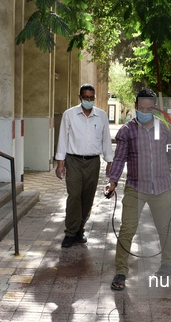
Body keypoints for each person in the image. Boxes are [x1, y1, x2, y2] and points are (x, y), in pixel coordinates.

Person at [105, 88, 171, 291]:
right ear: (136, 106)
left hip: (161, 187)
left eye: (149, 108)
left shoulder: (163, 129)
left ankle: (166, 266)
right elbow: (119, 159)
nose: (144, 111)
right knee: (127, 229)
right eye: (141, 107)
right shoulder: (126, 131)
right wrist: (113, 181)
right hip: (136, 187)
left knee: (165, 229)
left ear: (154, 108)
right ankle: (120, 272)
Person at [55, 83, 113, 248]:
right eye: (85, 97)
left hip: (93, 162)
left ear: (94, 98)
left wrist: (110, 162)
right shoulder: (70, 115)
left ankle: (80, 228)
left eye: (91, 98)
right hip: (73, 161)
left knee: (88, 197)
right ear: (80, 97)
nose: (89, 100)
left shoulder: (101, 116)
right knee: (74, 196)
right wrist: (60, 163)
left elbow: (106, 139)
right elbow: (63, 139)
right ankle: (70, 232)